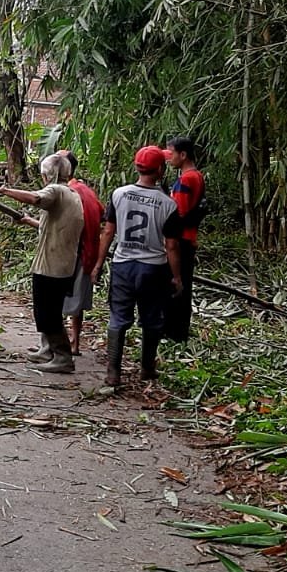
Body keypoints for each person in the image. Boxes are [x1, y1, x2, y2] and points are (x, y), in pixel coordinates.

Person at [94, 146, 185, 388]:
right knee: (152, 319)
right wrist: (177, 277)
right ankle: (147, 367)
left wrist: (98, 265)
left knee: (118, 317)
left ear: (136, 167)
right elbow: (172, 245)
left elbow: (108, 232)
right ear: (160, 170)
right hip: (154, 268)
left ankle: (113, 372)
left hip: (123, 265)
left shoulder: (119, 194)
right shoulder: (168, 204)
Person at [0, 154, 86, 374]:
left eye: (43, 173)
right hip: (62, 263)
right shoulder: (71, 194)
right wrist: (28, 220)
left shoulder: (56, 191)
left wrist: (5, 191)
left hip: (52, 265)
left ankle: (62, 357)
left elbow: (35, 198)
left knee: (46, 313)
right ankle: (50, 350)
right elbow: (51, 226)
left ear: (48, 174)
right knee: (49, 310)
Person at [59, 150, 103, 356]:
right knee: (77, 302)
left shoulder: (68, 193)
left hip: (74, 252)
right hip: (88, 252)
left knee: (57, 297)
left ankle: (57, 344)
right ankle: (74, 343)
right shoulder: (86, 190)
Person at [163, 138, 205, 343]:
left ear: (183, 155)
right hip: (189, 237)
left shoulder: (186, 180)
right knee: (184, 284)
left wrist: (170, 239)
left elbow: (178, 213)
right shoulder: (197, 176)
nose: (168, 158)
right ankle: (179, 331)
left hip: (181, 240)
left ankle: (175, 332)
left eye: (171, 154)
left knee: (176, 284)